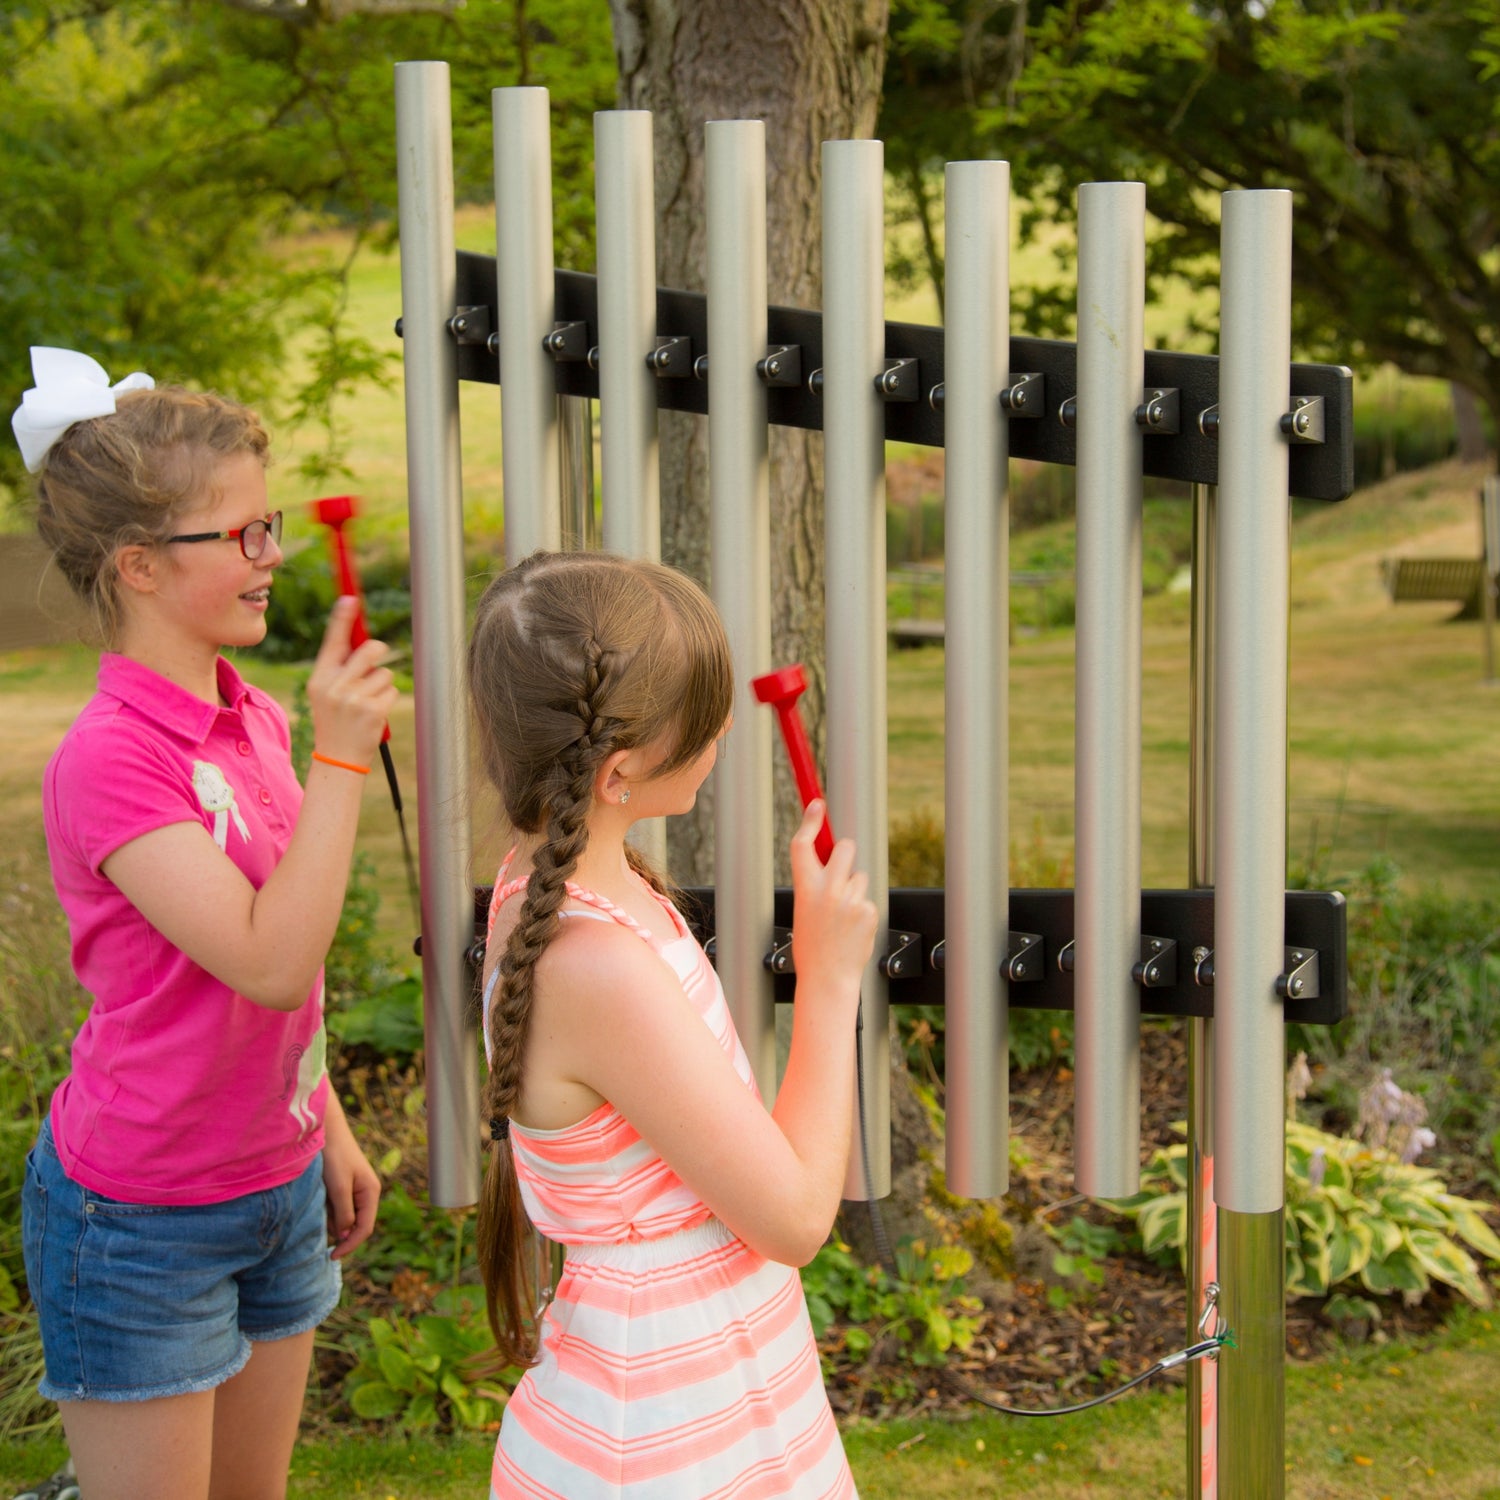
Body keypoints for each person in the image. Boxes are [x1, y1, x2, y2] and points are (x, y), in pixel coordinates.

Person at [12, 347, 396, 1500]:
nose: (269, 556)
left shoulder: (249, 714)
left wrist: (321, 1122)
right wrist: (339, 757)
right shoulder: (111, 761)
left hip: (273, 1189)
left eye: (268, 524)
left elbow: (278, 980)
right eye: (239, 535)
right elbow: (270, 962)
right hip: (140, 1225)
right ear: (137, 564)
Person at [468, 550, 881, 1499]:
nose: (728, 727)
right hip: (657, 1429)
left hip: (710, 1375)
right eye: (702, 719)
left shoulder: (559, 892)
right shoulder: (595, 964)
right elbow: (794, 1218)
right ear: (621, 771)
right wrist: (827, 982)